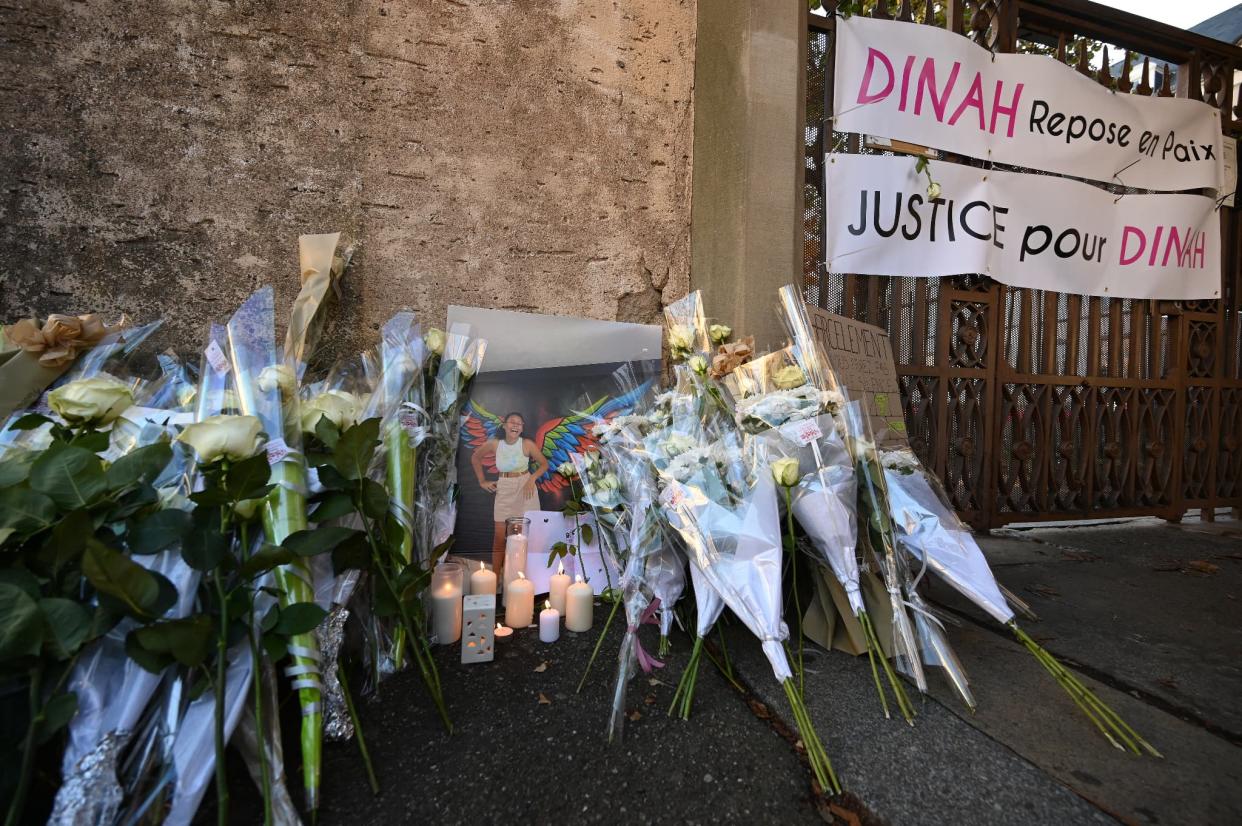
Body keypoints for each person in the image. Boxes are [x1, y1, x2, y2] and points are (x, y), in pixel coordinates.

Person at [471, 412, 549, 573]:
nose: (515, 425)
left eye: (519, 423)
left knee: (525, 537)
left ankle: (523, 575)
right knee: (499, 538)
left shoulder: (527, 444)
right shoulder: (495, 444)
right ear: (504, 425)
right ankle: (496, 578)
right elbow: (475, 458)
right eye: (512, 422)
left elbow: (544, 464)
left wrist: (532, 479)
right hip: (504, 487)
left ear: (522, 428)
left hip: (525, 487)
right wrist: (482, 481)